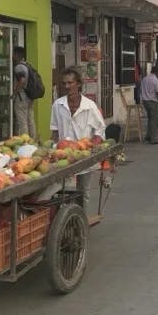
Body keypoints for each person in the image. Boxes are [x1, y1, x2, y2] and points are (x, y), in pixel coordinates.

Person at [50, 66, 105, 208]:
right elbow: (55, 130)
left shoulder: (89, 106)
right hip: (64, 155)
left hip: (84, 155)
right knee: (60, 192)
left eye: (70, 83)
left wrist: (93, 144)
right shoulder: (58, 105)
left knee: (83, 192)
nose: (67, 86)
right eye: (64, 83)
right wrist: (54, 149)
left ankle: (81, 220)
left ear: (78, 84)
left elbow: (100, 129)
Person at [12, 45, 36, 139]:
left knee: (22, 120)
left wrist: (14, 93)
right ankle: (32, 140)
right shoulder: (27, 65)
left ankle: (24, 141)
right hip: (30, 96)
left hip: (22, 97)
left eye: (13, 53)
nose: (12, 56)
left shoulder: (19, 67)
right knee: (30, 119)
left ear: (17, 54)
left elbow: (21, 81)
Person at [140, 64, 158, 144]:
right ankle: (153, 138)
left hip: (145, 101)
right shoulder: (156, 81)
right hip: (153, 102)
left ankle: (148, 136)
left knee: (150, 119)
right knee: (155, 120)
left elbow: (141, 89)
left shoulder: (144, 79)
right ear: (157, 72)